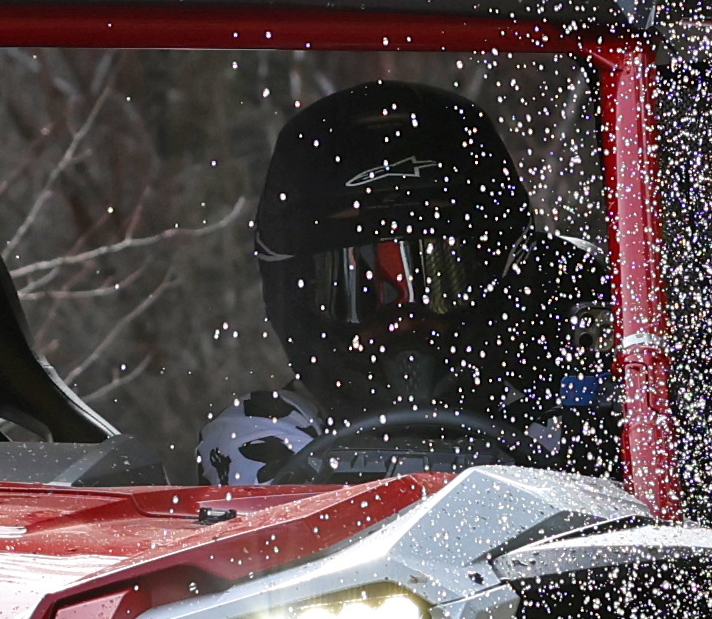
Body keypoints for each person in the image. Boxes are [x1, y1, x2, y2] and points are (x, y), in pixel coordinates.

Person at [206, 82, 611, 480]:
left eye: (437, 285)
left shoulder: (559, 423)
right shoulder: (261, 436)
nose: (402, 322)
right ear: (297, 297)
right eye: (358, 290)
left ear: (500, 282)